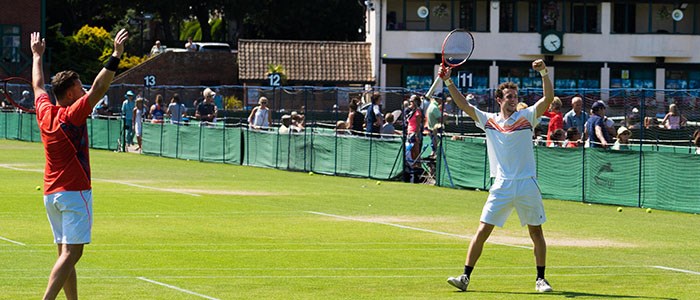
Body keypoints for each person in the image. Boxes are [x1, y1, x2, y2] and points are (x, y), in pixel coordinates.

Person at [30, 29, 129, 300]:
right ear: (71, 94)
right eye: (79, 86)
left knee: (65, 255)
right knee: (74, 253)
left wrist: (36, 56)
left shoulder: (46, 112)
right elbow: (100, 88)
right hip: (74, 191)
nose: (84, 88)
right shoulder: (72, 115)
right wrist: (115, 55)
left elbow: (38, 86)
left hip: (51, 194)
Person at [442, 59, 554, 293]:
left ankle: (541, 279)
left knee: (536, 232)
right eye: (509, 96)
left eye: (515, 96)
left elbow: (548, 99)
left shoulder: (528, 116)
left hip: (526, 184)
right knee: (482, 231)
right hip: (501, 185)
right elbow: (463, 104)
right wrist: (449, 81)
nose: (513, 99)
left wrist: (544, 72)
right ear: (499, 99)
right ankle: (464, 277)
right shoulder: (489, 120)